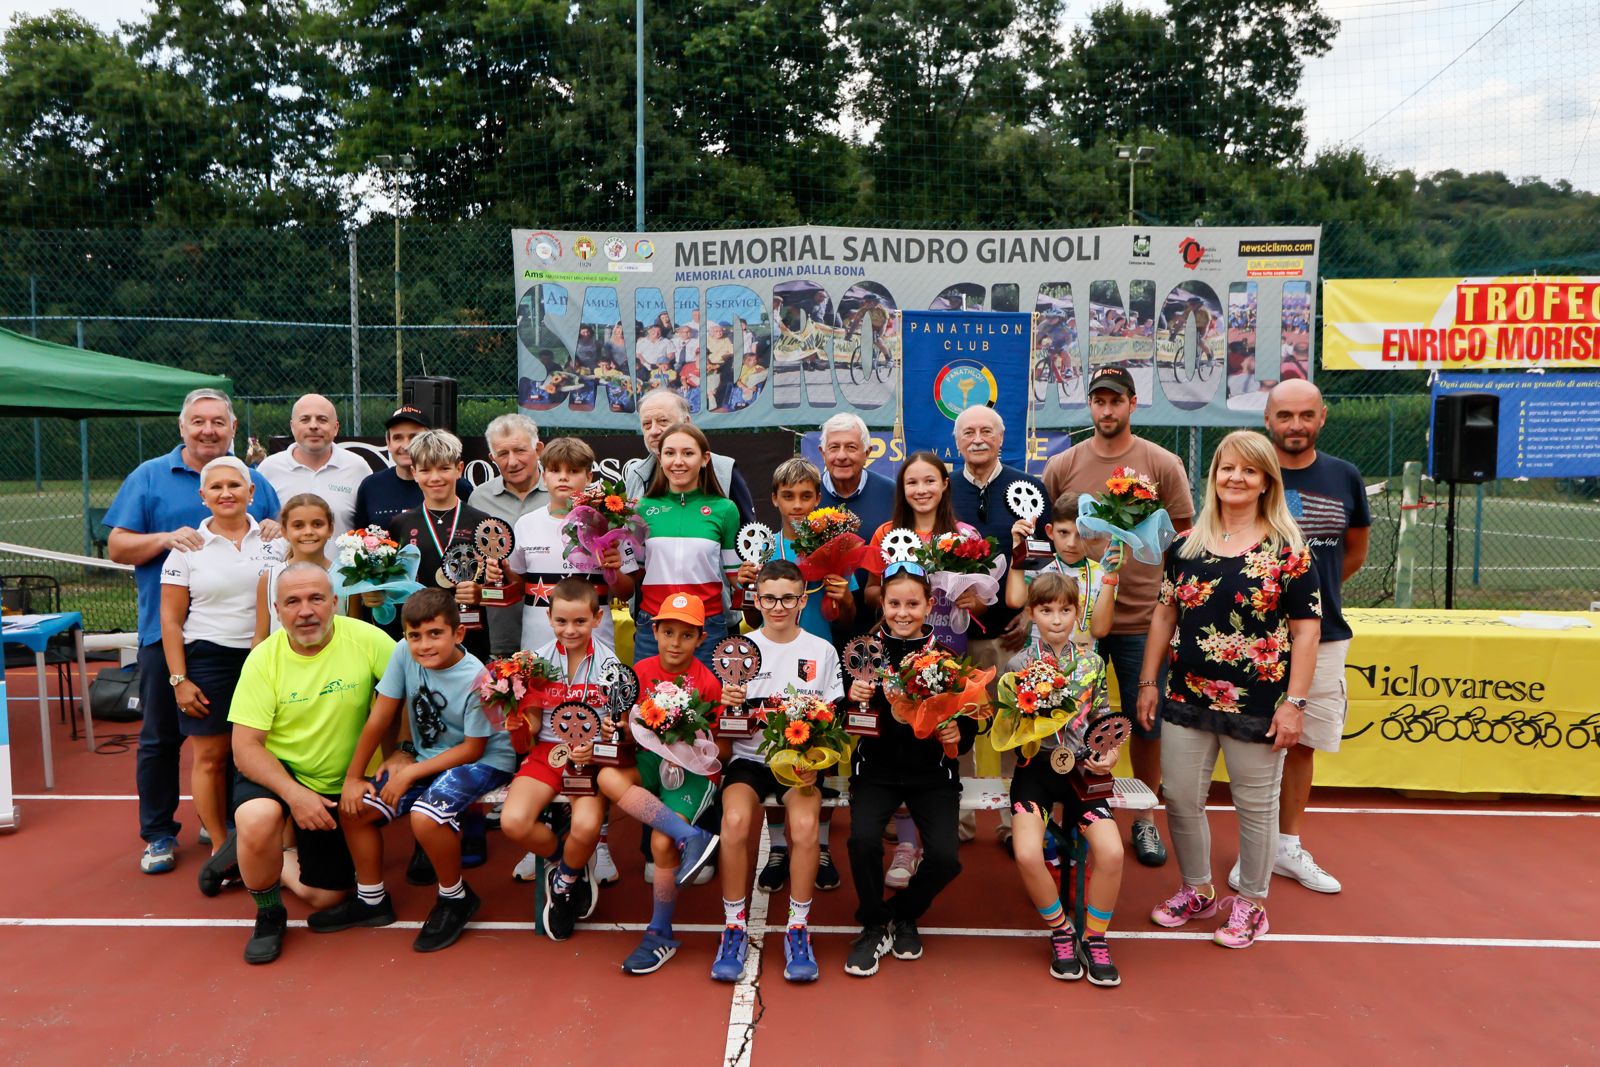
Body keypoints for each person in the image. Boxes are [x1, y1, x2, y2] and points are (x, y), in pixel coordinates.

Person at [1141, 430, 1322, 949]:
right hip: (1187, 696)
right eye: (1227, 468)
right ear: (1214, 476)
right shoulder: (1185, 546)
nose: (1235, 478)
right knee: (1179, 797)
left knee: (1255, 806)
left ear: (1266, 481)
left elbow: (1307, 632)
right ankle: (1197, 889)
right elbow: (1164, 615)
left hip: (1258, 702)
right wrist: (1149, 682)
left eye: (1248, 470)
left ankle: (1251, 903)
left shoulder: (1288, 549)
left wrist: (1295, 704)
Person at [106, 387, 281, 876]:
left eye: (218, 422)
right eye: (198, 421)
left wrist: (275, 528)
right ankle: (159, 832)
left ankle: (220, 823)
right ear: (182, 427)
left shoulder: (256, 480)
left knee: (238, 740)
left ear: (233, 429)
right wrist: (166, 538)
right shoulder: (149, 476)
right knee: (162, 739)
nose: (208, 430)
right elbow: (117, 547)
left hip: (249, 643)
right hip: (167, 635)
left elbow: (274, 531)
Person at [1042, 365, 1196, 868]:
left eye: (1116, 400)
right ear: (1090, 405)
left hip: (1141, 621)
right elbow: (1052, 531)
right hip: (1075, 626)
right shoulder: (1062, 465)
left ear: (1132, 403)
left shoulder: (1162, 463)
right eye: (1098, 400)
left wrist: (1172, 607)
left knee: (1144, 723)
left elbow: (1183, 539)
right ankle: (1066, 819)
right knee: (1065, 721)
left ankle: (1145, 819)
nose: (1106, 410)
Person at [307, 590, 518, 952]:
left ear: (458, 633)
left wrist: (409, 773)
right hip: (428, 757)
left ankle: (454, 897)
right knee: (354, 809)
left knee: (426, 817)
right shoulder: (403, 652)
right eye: (415, 635)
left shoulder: (477, 678)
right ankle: (371, 901)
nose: (424, 645)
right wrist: (353, 778)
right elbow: (380, 716)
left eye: (435, 634)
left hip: (484, 761)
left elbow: (472, 749)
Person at [228, 563, 396, 964]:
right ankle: (268, 910)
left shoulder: (369, 640)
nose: (305, 611)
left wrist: (401, 751)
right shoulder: (263, 660)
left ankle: (258, 855)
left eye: (316, 598)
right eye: (292, 602)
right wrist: (294, 795)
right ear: (277, 610)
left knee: (328, 896)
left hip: (341, 781)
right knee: (257, 818)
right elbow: (245, 748)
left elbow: (416, 687)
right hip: (280, 771)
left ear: (334, 602)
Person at [1247, 380, 1370, 895]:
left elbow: (1353, 553)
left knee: (1300, 745)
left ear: (1322, 417)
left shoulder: (1345, 476)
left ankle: (1286, 847)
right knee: (1251, 747)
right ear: (1268, 420)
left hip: (1323, 635)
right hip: (1251, 637)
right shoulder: (1249, 473)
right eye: (1284, 415)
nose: (1294, 425)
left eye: (1305, 415)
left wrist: (1310, 603)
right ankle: (1255, 850)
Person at [712, 560, 843, 984]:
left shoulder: (821, 651)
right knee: (734, 821)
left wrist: (814, 761)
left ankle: (798, 928)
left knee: (804, 828)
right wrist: (728, 705)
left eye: (788, 598)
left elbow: (833, 721)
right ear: (756, 599)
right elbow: (721, 727)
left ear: (803, 600)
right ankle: (733, 926)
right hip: (749, 761)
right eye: (769, 598)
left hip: (799, 763)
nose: (778, 607)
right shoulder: (737, 649)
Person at [842, 564, 973, 977]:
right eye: (894, 603)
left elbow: (969, 720)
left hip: (931, 774)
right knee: (863, 842)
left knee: (946, 859)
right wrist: (852, 698)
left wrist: (958, 731)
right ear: (882, 604)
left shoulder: (946, 658)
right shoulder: (862, 652)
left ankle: (903, 913)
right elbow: (841, 716)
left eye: (912, 604)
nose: (903, 613)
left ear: (929, 606)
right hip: (876, 769)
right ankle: (873, 923)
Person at [159, 456, 281, 897]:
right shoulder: (186, 547)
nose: (226, 493)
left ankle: (268, 838)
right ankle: (219, 845)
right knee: (211, 757)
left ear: (251, 492)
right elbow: (170, 620)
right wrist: (179, 679)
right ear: (203, 496)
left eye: (235, 485)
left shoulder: (274, 540)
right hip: (208, 658)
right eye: (216, 487)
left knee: (265, 752)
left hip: (268, 657)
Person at [733, 458, 852, 896]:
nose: (798, 505)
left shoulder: (834, 547)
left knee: (817, 753)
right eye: (788, 496)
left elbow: (848, 617)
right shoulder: (763, 549)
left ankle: (820, 846)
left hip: (817, 659)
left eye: (806, 496)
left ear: (819, 499)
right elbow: (752, 618)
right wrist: (747, 591)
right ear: (775, 500)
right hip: (770, 661)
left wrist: (843, 596)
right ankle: (780, 847)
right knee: (773, 745)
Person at [1003, 573, 1125, 985]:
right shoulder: (1017, 665)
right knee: (1026, 853)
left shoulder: (1092, 663)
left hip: (1081, 774)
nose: (1056, 619)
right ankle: (1061, 930)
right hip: (1034, 772)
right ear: (1031, 613)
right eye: (1046, 610)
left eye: (1065, 610)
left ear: (1077, 613)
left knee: (1112, 853)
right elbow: (1006, 726)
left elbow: (1104, 718)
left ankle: (1095, 937)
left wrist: (1109, 753)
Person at [595, 591, 724, 975]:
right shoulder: (640, 671)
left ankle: (660, 932)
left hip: (693, 770)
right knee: (606, 776)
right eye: (668, 632)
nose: (675, 643)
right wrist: (616, 728)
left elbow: (719, 749)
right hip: (650, 760)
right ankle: (690, 837)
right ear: (654, 632)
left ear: (701, 639)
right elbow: (628, 729)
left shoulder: (709, 683)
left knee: (659, 842)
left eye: (687, 635)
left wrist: (685, 739)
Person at [945, 405, 1049, 845]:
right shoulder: (943, 489)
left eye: (987, 430)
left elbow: (1047, 559)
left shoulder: (1031, 488)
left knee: (1015, 726)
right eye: (968, 431)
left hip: (1012, 635)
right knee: (958, 730)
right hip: (953, 637)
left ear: (1002, 438)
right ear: (956, 442)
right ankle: (959, 821)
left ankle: (1013, 824)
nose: (978, 438)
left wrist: (1029, 612)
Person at [497, 578, 621, 941]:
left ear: (597, 619)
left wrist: (601, 742)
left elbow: (617, 726)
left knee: (586, 827)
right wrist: (519, 721)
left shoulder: (611, 666)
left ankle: (564, 884)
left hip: (590, 756)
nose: (570, 630)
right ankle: (568, 866)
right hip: (547, 753)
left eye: (580, 621)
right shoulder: (535, 663)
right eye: (562, 621)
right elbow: (535, 724)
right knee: (513, 821)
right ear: (549, 618)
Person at [498, 436, 635, 654]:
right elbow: (518, 586)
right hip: (537, 649)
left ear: (589, 477)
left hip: (597, 649)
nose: (563, 477)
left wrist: (614, 571)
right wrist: (503, 571)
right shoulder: (526, 524)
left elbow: (626, 593)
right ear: (544, 477)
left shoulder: (609, 524)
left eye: (573, 471)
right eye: (555, 470)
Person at [632, 422, 741, 666]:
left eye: (688, 453)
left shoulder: (725, 509)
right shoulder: (642, 508)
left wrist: (753, 576)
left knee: (706, 693)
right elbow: (633, 574)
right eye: (670, 453)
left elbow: (736, 577)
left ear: (705, 459)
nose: (678, 461)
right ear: (660, 459)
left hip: (707, 626)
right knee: (649, 693)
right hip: (654, 625)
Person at [385, 429, 493, 661]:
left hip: (469, 637)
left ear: (459, 469)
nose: (435, 478)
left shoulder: (482, 523)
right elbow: (392, 587)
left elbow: (501, 588)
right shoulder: (400, 524)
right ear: (414, 473)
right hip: (419, 638)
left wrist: (481, 593)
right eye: (425, 470)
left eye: (444, 468)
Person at [863, 451, 981, 655]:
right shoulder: (886, 534)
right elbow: (870, 592)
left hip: (950, 649)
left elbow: (982, 603)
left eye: (929, 481)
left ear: (944, 484)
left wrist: (972, 602)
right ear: (902, 488)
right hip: (897, 647)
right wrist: (896, 594)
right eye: (912, 483)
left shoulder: (966, 536)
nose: (921, 490)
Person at [468, 413, 550, 657]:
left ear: (539, 449)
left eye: (520, 450)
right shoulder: (479, 498)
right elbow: (472, 561)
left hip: (554, 629)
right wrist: (484, 570)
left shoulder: (560, 493)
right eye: (503, 454)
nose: (512, 462)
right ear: (492, 458)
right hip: (501, 631)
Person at [817, 412, 897, 644]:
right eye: (834, 447)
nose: (842, 456)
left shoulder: (892, 494)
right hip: (820, 627)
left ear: (867, 452)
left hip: (879, 626)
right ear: (822, 453)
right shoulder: (808, 496)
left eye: (851, 447)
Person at [1005, 494, 1122, 652]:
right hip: (1038, 662)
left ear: (1091, 535)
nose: (1071, 543)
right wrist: (1018, 547)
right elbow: (1015, 601)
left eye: (1080, 535)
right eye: (1063, 532)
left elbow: (1100, 630)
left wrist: (1111, 576)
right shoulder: (1039, 564)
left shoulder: (1103, 573)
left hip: (1084, 664)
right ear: (1050, 531)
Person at [624, 388, 757, 525]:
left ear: (686, 422)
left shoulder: (724, 469)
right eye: (647, 424)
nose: (654, 431)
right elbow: (627, 531)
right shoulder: (635, 473)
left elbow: (749, 531)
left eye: (663, 421)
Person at [255, 393, 370, 545]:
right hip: (284, 561)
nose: (313, 426)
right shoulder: (268, 469)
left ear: (335, 428)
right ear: (292, 426)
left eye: (322, 419)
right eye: (305, 419)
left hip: (342, 562)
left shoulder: (357, 468)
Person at [350, 406, 473, 532]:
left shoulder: (455, 485)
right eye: (397, 438)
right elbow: (360, 536)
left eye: (414, 437)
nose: (406, 446)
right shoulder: (371, 486)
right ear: (388, 443)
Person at [254, 494, 347, 642]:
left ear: (330, 529)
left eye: (317, 524)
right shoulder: (270, 577)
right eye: (298, 526)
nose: (308, 531)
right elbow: (260, 637)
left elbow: (355, 631)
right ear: (284, 532)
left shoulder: (347, 577)